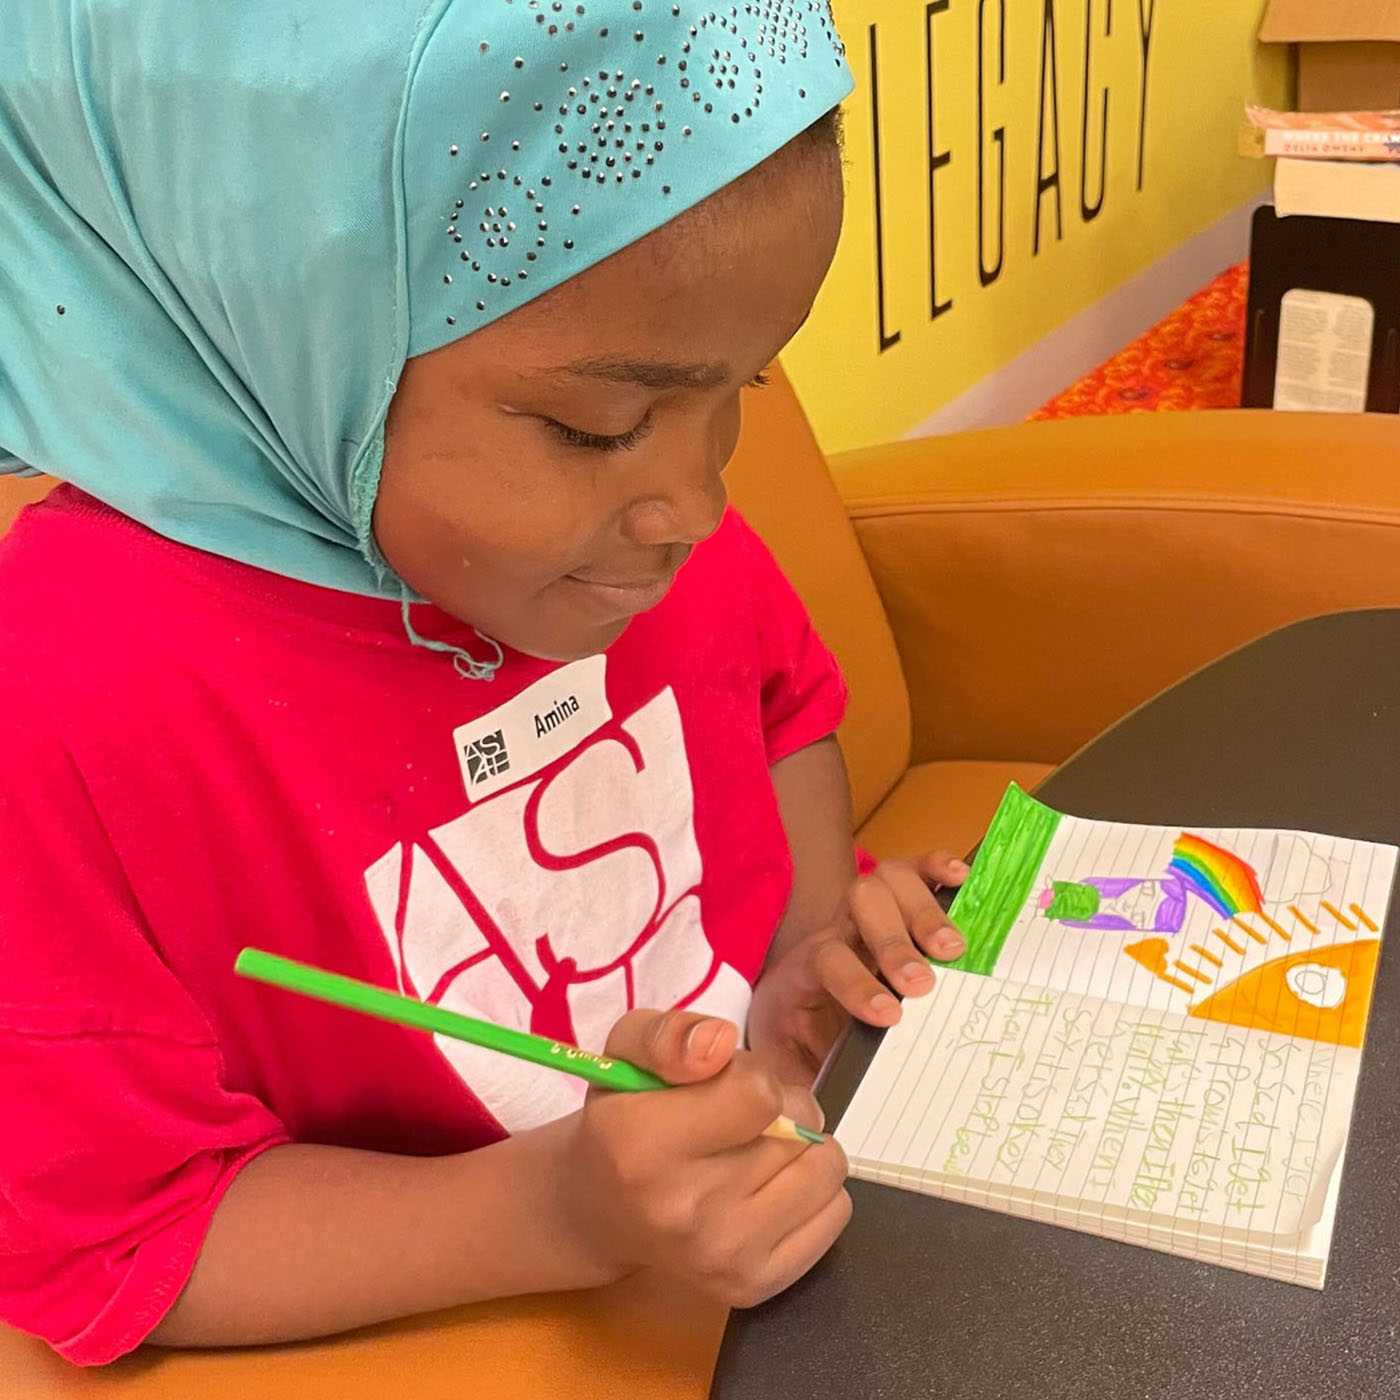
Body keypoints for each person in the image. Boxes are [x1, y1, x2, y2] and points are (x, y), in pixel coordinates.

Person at [0, 0, 967, 1365]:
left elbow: (780, 704)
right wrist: (557, 1215)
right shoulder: (59, 691)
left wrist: (805, 951)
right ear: (280, 308)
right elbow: (122, 1238)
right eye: (601, 427)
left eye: (746, 387)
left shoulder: (634, 537)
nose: (694, 504)